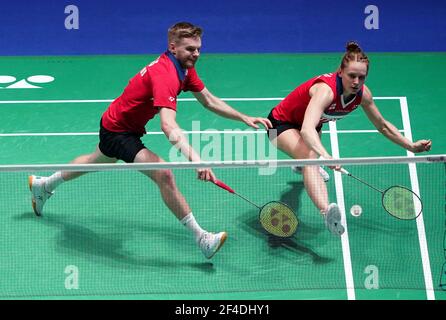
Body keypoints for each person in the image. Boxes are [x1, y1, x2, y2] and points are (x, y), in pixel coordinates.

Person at [28, 22, 272, 259]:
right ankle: (202, 239)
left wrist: (243, 117)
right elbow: (168, 125)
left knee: (96, 159)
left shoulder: (184, 68)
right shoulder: (166, 74)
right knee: (164, 173)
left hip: (119, 124)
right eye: (190, 49)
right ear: (173, 47)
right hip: (118, 131)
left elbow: (208, 100)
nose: (196, 54)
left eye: (198, 48)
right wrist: (196, 159)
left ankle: (44, 185)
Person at [266, 41, 431, 236]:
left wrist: (410, 145)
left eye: (361, 77)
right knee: (309, 155)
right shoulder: (325, 91)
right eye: (352, 76)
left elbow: (383, 125)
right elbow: (307, 130)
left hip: (312, 125)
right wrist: (326, 157)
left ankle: (303, 164)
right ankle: (327, 212)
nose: (356, 82)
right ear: (340, 72)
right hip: (279, 126)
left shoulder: (362, 95)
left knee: (309, 156)